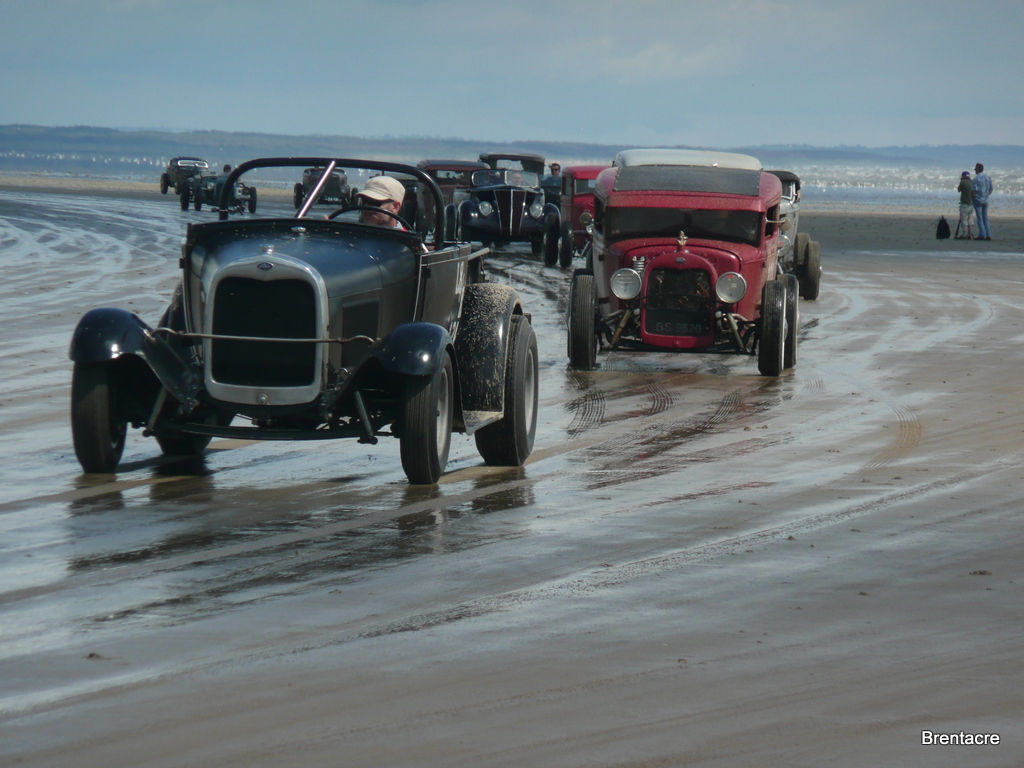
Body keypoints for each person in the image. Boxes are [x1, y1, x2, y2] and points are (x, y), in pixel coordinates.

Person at [972, 163, 993, 240]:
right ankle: (988, 234)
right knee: (985, 218)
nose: (975, 170)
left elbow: (973, 191)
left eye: (975, 169)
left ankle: (982, 234)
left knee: (980, 218)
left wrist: (973, 198)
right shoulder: (988, 178)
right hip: (986, 200)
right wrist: (986, 195)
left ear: (977, 170)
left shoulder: (976, 179)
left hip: (978, 200)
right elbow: (991, 189)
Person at [956, 171, 974, 239]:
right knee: (970, 220)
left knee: (964, 219)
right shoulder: (972, 182)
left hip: (964, 204)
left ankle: (964, 234)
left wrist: (961, 181)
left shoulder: (963, 182)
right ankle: (969, 234)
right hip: (971, 204)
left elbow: (958, 189)